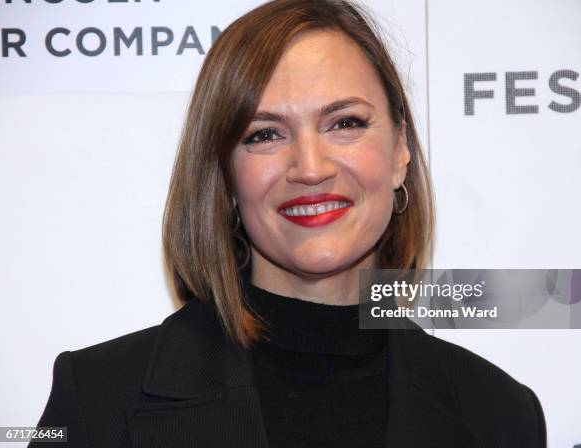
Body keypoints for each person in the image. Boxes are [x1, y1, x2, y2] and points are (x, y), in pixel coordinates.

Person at [30, 0, 547, 447]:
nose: (311, 168)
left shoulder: (499, 412)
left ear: (400, 151)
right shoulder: (100, 398)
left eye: (345, 123)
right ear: (226, 178)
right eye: (264, 135)